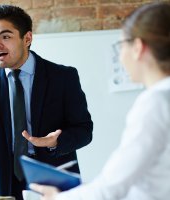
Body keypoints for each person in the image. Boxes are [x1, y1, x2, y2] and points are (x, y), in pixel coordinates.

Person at [0, 4, 93, 200]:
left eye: (5, 37)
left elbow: (84, 131)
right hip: (8, 183)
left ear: (27, 38)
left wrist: (56, 141)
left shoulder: (63, 77)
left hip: (55, 179)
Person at [30, 2, 170, 200]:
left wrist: (57, 198)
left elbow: (111, 189)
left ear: (138, 47)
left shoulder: (155, 104)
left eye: (121, 46)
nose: (120, 57)